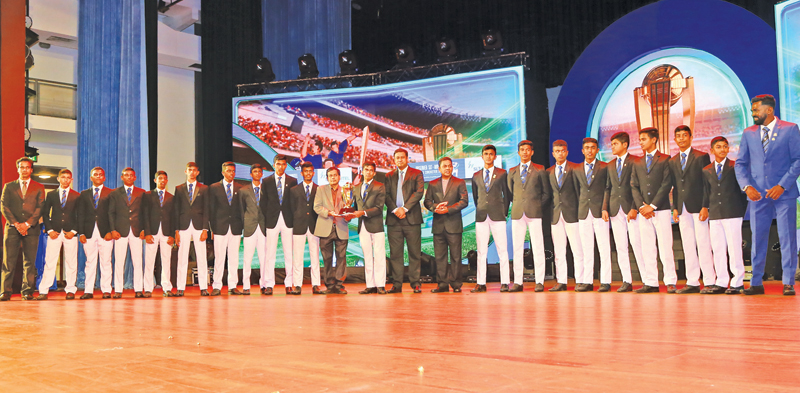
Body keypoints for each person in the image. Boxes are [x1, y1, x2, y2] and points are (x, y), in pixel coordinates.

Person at [735, 94, 800, 296]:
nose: (753, 113)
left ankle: (788, 282)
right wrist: (747, 187)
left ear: (769, 110)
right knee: (758, 238)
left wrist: (782, 185)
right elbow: (740, 164)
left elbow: (797, 160)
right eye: (753, 110)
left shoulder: (790, 129)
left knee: (787, 237)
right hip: (757, 196)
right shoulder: (749, 133)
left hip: (784, 194)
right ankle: (756, 282)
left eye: (756, 109)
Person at [631, 127, 676, 293]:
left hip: (661, 209)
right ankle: (651, 282)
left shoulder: (665, 159)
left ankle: (670, 281)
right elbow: (633, 185)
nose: (641, 142)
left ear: (654, 139)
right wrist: (642, 206)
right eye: (640, 139)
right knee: (647, 247)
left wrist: (653, 205)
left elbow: (667, 184)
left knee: (665, 246)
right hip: (643, 211)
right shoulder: (637, 162)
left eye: (644, 139)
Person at [669, 125, 713, 294]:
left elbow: (706, 184)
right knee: (688, 246)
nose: (681, 138)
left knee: (703, 244)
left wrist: (705, 206)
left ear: (690, 137)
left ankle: (709, 281)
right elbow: (675, 186)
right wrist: (675, 208)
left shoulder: (701, 157)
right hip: (682, 208)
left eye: (684, 135)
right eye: (678, 136)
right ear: (675, 139)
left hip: (698, 206)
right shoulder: (673, 161)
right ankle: (692, 281)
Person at [702, 136, 748, 294]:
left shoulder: (735, 166)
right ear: (712, 150)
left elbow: (743, 193)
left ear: (728, 149)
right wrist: (705, 208)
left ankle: (737, 282)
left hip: (733, 212)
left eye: (725, 146)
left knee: (734, 248)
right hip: (715, 214)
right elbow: (706, 192)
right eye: (719, 147)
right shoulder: (706, 170)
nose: (722, 149)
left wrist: (740, 211)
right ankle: (721, 282)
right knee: (718, 248)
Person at [602, 132, 642, 293]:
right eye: (611, 144)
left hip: (631, 209)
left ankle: (647, 279)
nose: (612, 147)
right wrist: (605, 208)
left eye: (615, 144)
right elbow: (607, 188)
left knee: (637, 244)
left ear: (625, 145)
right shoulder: (610, 165)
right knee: (620, 246)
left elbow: (637, 187)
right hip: (614, 209)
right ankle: (627, 280)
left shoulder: (635, 162)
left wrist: (634, 207)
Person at [508, 140, 550, 292]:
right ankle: (518, 282)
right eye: (522, 150)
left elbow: (546, 193)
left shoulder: (540, 169)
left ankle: (540, 281)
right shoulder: (512, 171)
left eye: (527, 150)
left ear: (532, 152)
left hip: (535, 212)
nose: (525, 152)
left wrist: (537, 205)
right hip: (518, 212)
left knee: (538, 247)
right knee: (517, 248)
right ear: (518, 152)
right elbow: (510, 192)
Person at [0, 157, 45, 301]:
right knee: (9, 261)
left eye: (27, 167)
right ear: (17, 169)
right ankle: (6, 292)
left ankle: (27, 291)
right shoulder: (9, 186)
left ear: (31, 170)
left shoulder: (39, 187)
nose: (24, 169)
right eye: (22, 167)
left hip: (31, 229)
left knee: (29, 262)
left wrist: (27, 224)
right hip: (12, 228)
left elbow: (40, 208)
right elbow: (3, 206)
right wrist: (16, 224)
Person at [423, 157, 469, 293]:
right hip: (438, 226)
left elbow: (464, 201)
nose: (447, 168)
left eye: (449, 166)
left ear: (452, 167)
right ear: (439, 168)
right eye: (444, 166)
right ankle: (442, 284)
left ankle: (456, 284)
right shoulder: (432, 184)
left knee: (455, 256)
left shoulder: (459, 182)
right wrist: (436, 207)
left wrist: (448, 209)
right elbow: (427, 202)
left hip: (454, 225)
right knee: (440, 257)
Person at [471, 145, 511, 293]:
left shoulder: (502, 173)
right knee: (481, 251)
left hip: (498, 215)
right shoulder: (475, 175)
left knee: (502, 250)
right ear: (482, 156)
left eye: (491, 154)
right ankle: (481, 283)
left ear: (495, 157)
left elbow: (507, 195)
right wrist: (481, 208)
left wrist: (504, 212)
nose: (488, 156)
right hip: (481, 216)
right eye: (486, 154)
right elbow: (476, 197)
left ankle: (505, 282)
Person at [384, 148, 425, 293]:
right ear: (394, 159)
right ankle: (397, 284)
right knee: (395, 254)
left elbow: (419, 192)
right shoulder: (388, 175)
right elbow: (386, 195)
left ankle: (416, 283)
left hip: (412, 219)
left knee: (414, 253)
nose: (400, 159)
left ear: (407, 158)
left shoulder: (417, 174)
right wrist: (396, 210)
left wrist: (405, 208)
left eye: (402, 157)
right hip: (394, 220)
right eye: (397, 158)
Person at [37, 169, 80, 300]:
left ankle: (71, 290)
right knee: (50, 261)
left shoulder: (77, 196)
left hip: (70, 233)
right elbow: (45, 213)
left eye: (68, 178)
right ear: (58, 179)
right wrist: (49, 230)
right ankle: (44, 290)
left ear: (71, 180)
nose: (66, 180)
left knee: (71, 262)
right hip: (54, 232)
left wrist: (73, 231)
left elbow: (81, 216)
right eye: (63, 177)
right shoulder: (51, 195)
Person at [575, 138, 611, 292]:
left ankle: (605, 281)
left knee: (604, 247)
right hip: (584, 211)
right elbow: (577, 191)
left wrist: (604, 207)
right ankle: (587, 281)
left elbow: (608, 189)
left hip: (600, 212)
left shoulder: (604, 167)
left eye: (593, 148)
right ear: (582, 150)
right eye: (587, 148)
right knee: (586, 248)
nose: (589, 150)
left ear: (597, 150)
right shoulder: (576, 169)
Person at [548, 140, 583, 292]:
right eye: (557, 151)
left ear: (567, 152)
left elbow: (580, 193)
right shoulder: (548, 171)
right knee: (558, 250)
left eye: (562, 151)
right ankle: (561, 281)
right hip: (556, 215)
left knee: (577, 249)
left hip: (572, 214)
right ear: (553, 153)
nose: (560, 153)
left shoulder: (575, 168)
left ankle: (581, 280)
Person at [108, 167, 146, 298]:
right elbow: (111, 213)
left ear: (135, 178)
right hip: (120, 231)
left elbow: (144, 213)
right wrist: (113, 229)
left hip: (136, 231)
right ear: (122, 177)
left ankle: (138, 289)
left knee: (138, 261)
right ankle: (118, 289)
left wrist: (144, 229)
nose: (129, 177)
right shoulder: (115, 193)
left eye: (131, 175)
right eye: (126, 175)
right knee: (119, 261)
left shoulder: (142, 193)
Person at [173, 162, 210, 297]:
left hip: (199, 225)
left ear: (198, 172)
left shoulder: (204, 188)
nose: (192, 172)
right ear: (185, 171)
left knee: (201, 257)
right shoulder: (179, 188)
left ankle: (203, 287)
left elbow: (207, 209)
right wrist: (176, 230)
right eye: (190, 170)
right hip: (183, 226)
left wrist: (206, 229)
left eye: (194, 170)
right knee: (182, 257)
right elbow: (176, 211)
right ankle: (180, 288)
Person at [261, 155, 296, 295]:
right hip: (272, 220)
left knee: (289, 253)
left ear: (286, 165)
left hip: (287, 220)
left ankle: (289, 284)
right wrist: (268, 217)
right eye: (278, 164)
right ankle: (269, 284)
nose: (281, 166)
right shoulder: (266, 181)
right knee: (270, 254)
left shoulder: (292, 181)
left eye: (283, 164)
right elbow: (263, 203)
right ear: (273, 164)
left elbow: (294, 202)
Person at [77, 167, 114, 299]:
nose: (98, 176)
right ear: (91, 177)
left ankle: (106, 290)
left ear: (104, 178)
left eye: (100, 175)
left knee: (106, 262)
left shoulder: (111, 193)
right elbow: (80, 214)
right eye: (95, 175)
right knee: (90, 262)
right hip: (88, 232)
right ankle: (88, 290)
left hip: (106, 233)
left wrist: (111, 230)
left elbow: (113, 214)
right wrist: (81, 233)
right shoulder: (84, 194)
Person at [288, 162, 325, 294]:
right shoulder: (294, 190)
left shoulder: (319, 189)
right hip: (298, 226)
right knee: (297, 256)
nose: (308, 173)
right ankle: (297, 285)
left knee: (315, 256)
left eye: (310, 171)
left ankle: (316, 284)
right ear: (302, 173)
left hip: (314, 226)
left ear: (313, 173)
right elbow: (291, 208)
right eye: (306, 171)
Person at [351, 162, 387, 294]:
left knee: (379, 255)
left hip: (376, 225)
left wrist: (363, 213)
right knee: (367, 255)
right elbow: (354, 207)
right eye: (366, 170)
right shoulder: (356, 187)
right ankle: (370, 285)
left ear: (374, 172)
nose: (368, 172)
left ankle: (381, 284)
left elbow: (379, 208)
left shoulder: (380, 186)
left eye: (371, 170)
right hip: (362, 226)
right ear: (363, 171)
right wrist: (349, 214)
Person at [207, 162, 243, 296]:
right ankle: (217, 285)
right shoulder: (214, 188)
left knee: (234, 258)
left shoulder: (240, 188)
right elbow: (210, 209)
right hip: (219, 227)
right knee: (219, 257)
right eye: (228, 171)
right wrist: (211, 229)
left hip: (235, 227)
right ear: (223, 172)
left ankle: (232, 285)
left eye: (233, 171)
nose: (231, 173)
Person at [313, 167, 350, 294]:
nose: (333, 177)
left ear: (339, 177)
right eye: (330, 175)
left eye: (335, 175)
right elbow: (317, 207)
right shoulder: (321, 189)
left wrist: (348, 213)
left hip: (341, 227)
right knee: (327, 258)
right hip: (325, 227)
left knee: (341, 257)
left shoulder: (346, 190)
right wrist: (329, 213)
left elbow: (349, 206)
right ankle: (329, 285)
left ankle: (339, 285)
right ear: (327, 178)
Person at [142, 171, 175, 297]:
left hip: (166, 232)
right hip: (152, 232)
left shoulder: (171, 197)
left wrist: (172, 234)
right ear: (155, 180)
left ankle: (167, 287)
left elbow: (173, 217)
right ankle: (148, 288)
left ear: (167, 181)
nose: (162, 180)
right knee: (149, 261)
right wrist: (147, 232)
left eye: (165, 179)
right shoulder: (148, 195)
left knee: (166, 260)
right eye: (160, 178)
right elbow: (145, 215)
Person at [239, 164, 266, 295]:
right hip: (249, 227)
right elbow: (241, 210)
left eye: (259, 172)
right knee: (247, 258)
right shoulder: (244, 191)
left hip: (263, 227)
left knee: (264, 258)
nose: (257, 173)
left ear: (262, 174)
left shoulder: (266, 190)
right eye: (254, 171)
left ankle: (264, 284)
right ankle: (246, 285)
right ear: (251, 174)